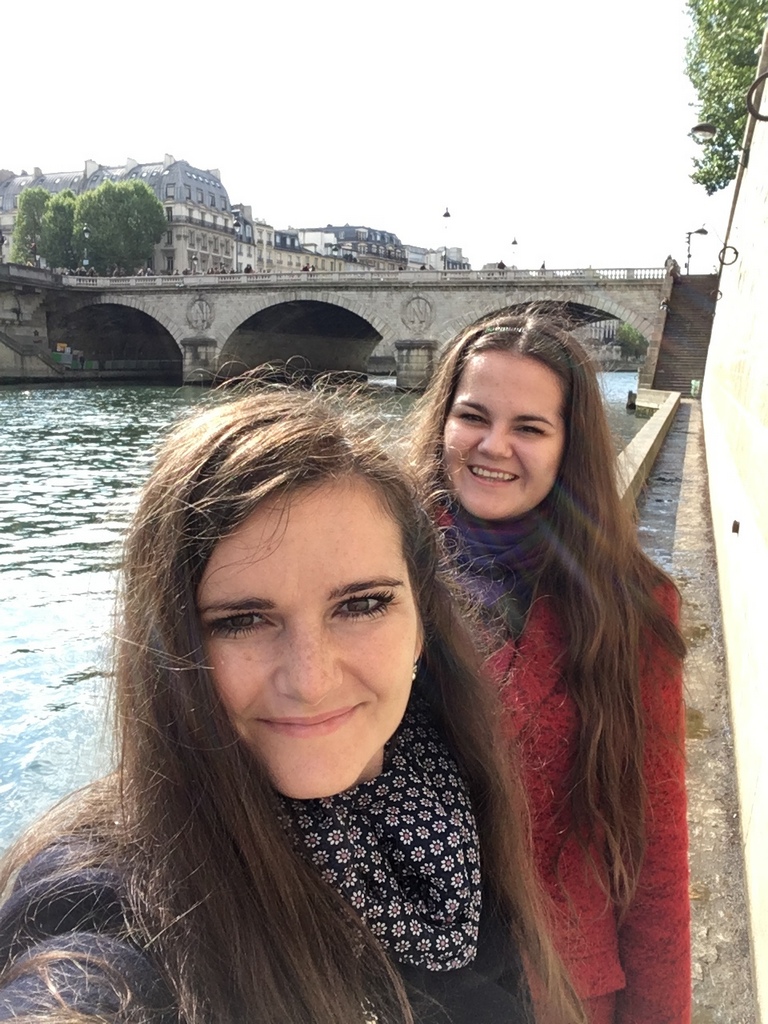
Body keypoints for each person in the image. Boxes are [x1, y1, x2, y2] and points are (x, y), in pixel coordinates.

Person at [0, 386, 584, 1024]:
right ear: (169, 649)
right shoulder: (105, 902)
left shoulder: (458, 785)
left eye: (362, 605)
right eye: (242, 621)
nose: (310, 680)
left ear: (422, 623)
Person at [408, 308, 690, 1024]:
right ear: (443, 422)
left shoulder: (628, 608)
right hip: (393, 983)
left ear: (569, 448)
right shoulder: (377, 572)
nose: (493, 446)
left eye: (529, 428)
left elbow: (655, 853)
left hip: (554, 990)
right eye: (474, 417)